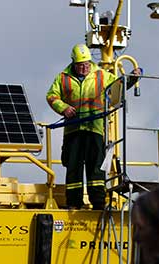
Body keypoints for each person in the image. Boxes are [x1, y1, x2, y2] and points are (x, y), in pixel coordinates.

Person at [46, 43, 141, 210]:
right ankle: (74, 202)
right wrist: (64, 108)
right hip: (73, 130)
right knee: (73, 166)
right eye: (80, 65)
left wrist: (133, 78)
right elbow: (52, 96)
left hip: (95, 129)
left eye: (86, 64)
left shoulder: (101, 75)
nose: (84, 68)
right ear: (73, 63)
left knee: (96, 166)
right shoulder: (63, 78)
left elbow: (119, 86)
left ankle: (98, 202)